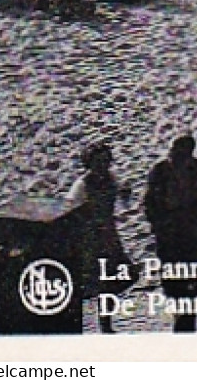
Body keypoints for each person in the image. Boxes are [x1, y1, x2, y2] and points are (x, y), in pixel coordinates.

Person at [142, 135, 197, 333]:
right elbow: (149, 202)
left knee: (190, 278)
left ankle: (186, 321)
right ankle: (180, 315)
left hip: (191, 233)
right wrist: (158, 222)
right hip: (168, 234)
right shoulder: (161, 171)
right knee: (171, 278)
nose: (177, 156)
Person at [65, 142, 131, 333]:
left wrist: (125, 193)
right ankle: (99, 325)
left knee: (110, 281)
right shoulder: (82, 185)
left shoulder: (111, 178)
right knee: (99, 282)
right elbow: (70, 210)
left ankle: (106, 323)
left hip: (109, 235)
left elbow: (123, 199)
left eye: (106, 161)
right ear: (89, 163)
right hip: (90, 238)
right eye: (98, 162)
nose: (103, 165)